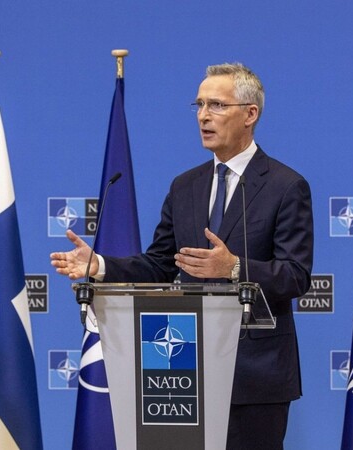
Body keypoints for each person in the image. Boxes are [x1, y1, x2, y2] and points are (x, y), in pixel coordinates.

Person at [51, 63, 313, 450]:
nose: (204, 116)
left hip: (255, 375)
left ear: (250, 114)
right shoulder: (185, 186)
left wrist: (235, 268)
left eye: (217, 106)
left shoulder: (285, 186)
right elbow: (159, 265)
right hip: (182, 370)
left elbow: (295, 275)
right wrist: (101, 265)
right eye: (200, 105)